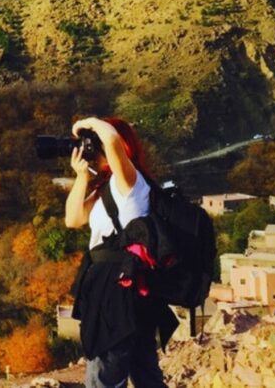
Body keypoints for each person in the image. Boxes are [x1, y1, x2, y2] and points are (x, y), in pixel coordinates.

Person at [64, 116, 177, 388]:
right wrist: (81, 176)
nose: (91, 150)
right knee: (144, 372)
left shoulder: (130, 181)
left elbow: (114, 141)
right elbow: (73, 218)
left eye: (94, 145)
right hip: (122, 289)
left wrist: (90, 123)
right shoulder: (109, 188)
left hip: (118, 292)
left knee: (104, 373)